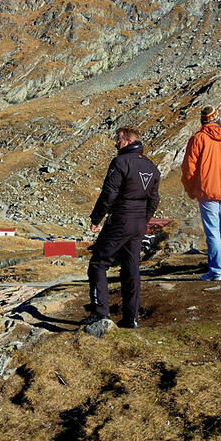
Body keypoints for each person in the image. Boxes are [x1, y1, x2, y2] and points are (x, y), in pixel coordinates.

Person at [85, 126, 161, 328]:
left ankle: (100, 313)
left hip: (120, 219)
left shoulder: (120, 162)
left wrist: (96, 218)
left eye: (118, 139)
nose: (115, 143)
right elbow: (154, 199)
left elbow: (109, 194)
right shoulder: (151, 167)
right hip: (138, 223)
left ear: (128, 141)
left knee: (98, 263)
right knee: (131, 268)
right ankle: (131, 318)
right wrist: (143, 220)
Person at [181, 106, 221, 281]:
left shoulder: (198, 139)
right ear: (217, 120)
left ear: (203, 121)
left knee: (212, 231)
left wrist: (190, 189)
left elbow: (189, 168)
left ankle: (217, 270)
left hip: (208, 191)